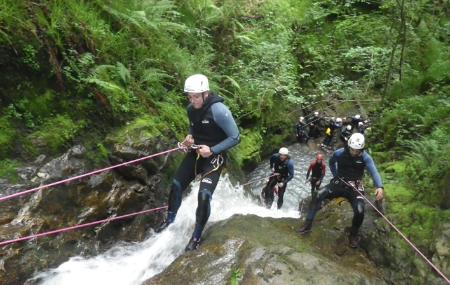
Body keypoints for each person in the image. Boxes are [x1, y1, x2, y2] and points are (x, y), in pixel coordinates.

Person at [156, 74, 240, 251]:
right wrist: (189, 138)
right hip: (196, 153)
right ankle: (170, 220)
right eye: (190, 96)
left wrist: (213, 150)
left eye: (196, 96)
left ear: (206, 93)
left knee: (203, 197)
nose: (192, 100)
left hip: (214, 157)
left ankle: (196, 237)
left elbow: (235, 137)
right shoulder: (190, 109)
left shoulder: (219, 110)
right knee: (177, 185)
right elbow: (194, 127)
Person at [298, 133, 384, 248]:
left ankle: (353, 235)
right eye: (352, 149)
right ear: (348, 146)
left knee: (359, 211)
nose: (354, 152)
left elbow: (374, 172)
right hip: (339, 183)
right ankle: (307, 224)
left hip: (355, 186)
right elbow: (331, 162)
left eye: (357, 150)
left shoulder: (365, 157)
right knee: (318, 195)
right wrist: (336, 176)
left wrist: (379, 186)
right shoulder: (339, 153)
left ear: (362, 149)